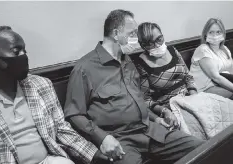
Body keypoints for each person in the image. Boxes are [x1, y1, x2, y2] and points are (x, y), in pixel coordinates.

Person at [64, 9, 204, 164]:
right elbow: (74, 114)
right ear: (116, 34)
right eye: (132, 34)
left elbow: (139, 99)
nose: (136, 40)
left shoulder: (128, 61)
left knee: (203, 150)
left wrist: (157, 118)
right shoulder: (84, 68)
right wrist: (102, 138)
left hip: (148, 129)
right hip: (120, 139)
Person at [0, 26, 106, 164]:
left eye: (24, 50)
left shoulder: (41, 85)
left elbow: (61, 129)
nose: (24, 56)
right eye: (16, 51)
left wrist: (92, 154)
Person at [130, 22, 198, 129]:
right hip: (169, 106)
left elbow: (188, 77)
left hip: (189, 97)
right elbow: (146, 100)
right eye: (150, 43)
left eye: (159, 39)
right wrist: (164, 111)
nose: (157, 45)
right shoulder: (141, 65)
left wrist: (194, 95)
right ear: (143, 45)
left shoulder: (172, 50)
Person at [190, 18, 233, 99]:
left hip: (220, 84)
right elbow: (216, 77)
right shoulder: (203, 50)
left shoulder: (224, 49)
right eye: (211, 32)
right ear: (206, 34)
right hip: (205, 88)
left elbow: (231, 70)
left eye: (218, 32)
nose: (215, 36)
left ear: (223, 33)